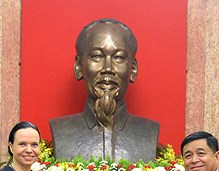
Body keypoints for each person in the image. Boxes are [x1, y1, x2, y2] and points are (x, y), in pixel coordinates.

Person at [49, 18, 159, 162]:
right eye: (97, 56)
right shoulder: (61, 131)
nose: (108, 68)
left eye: (119, 58)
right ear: (78, 67)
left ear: (133, 69)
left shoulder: (149, 131)